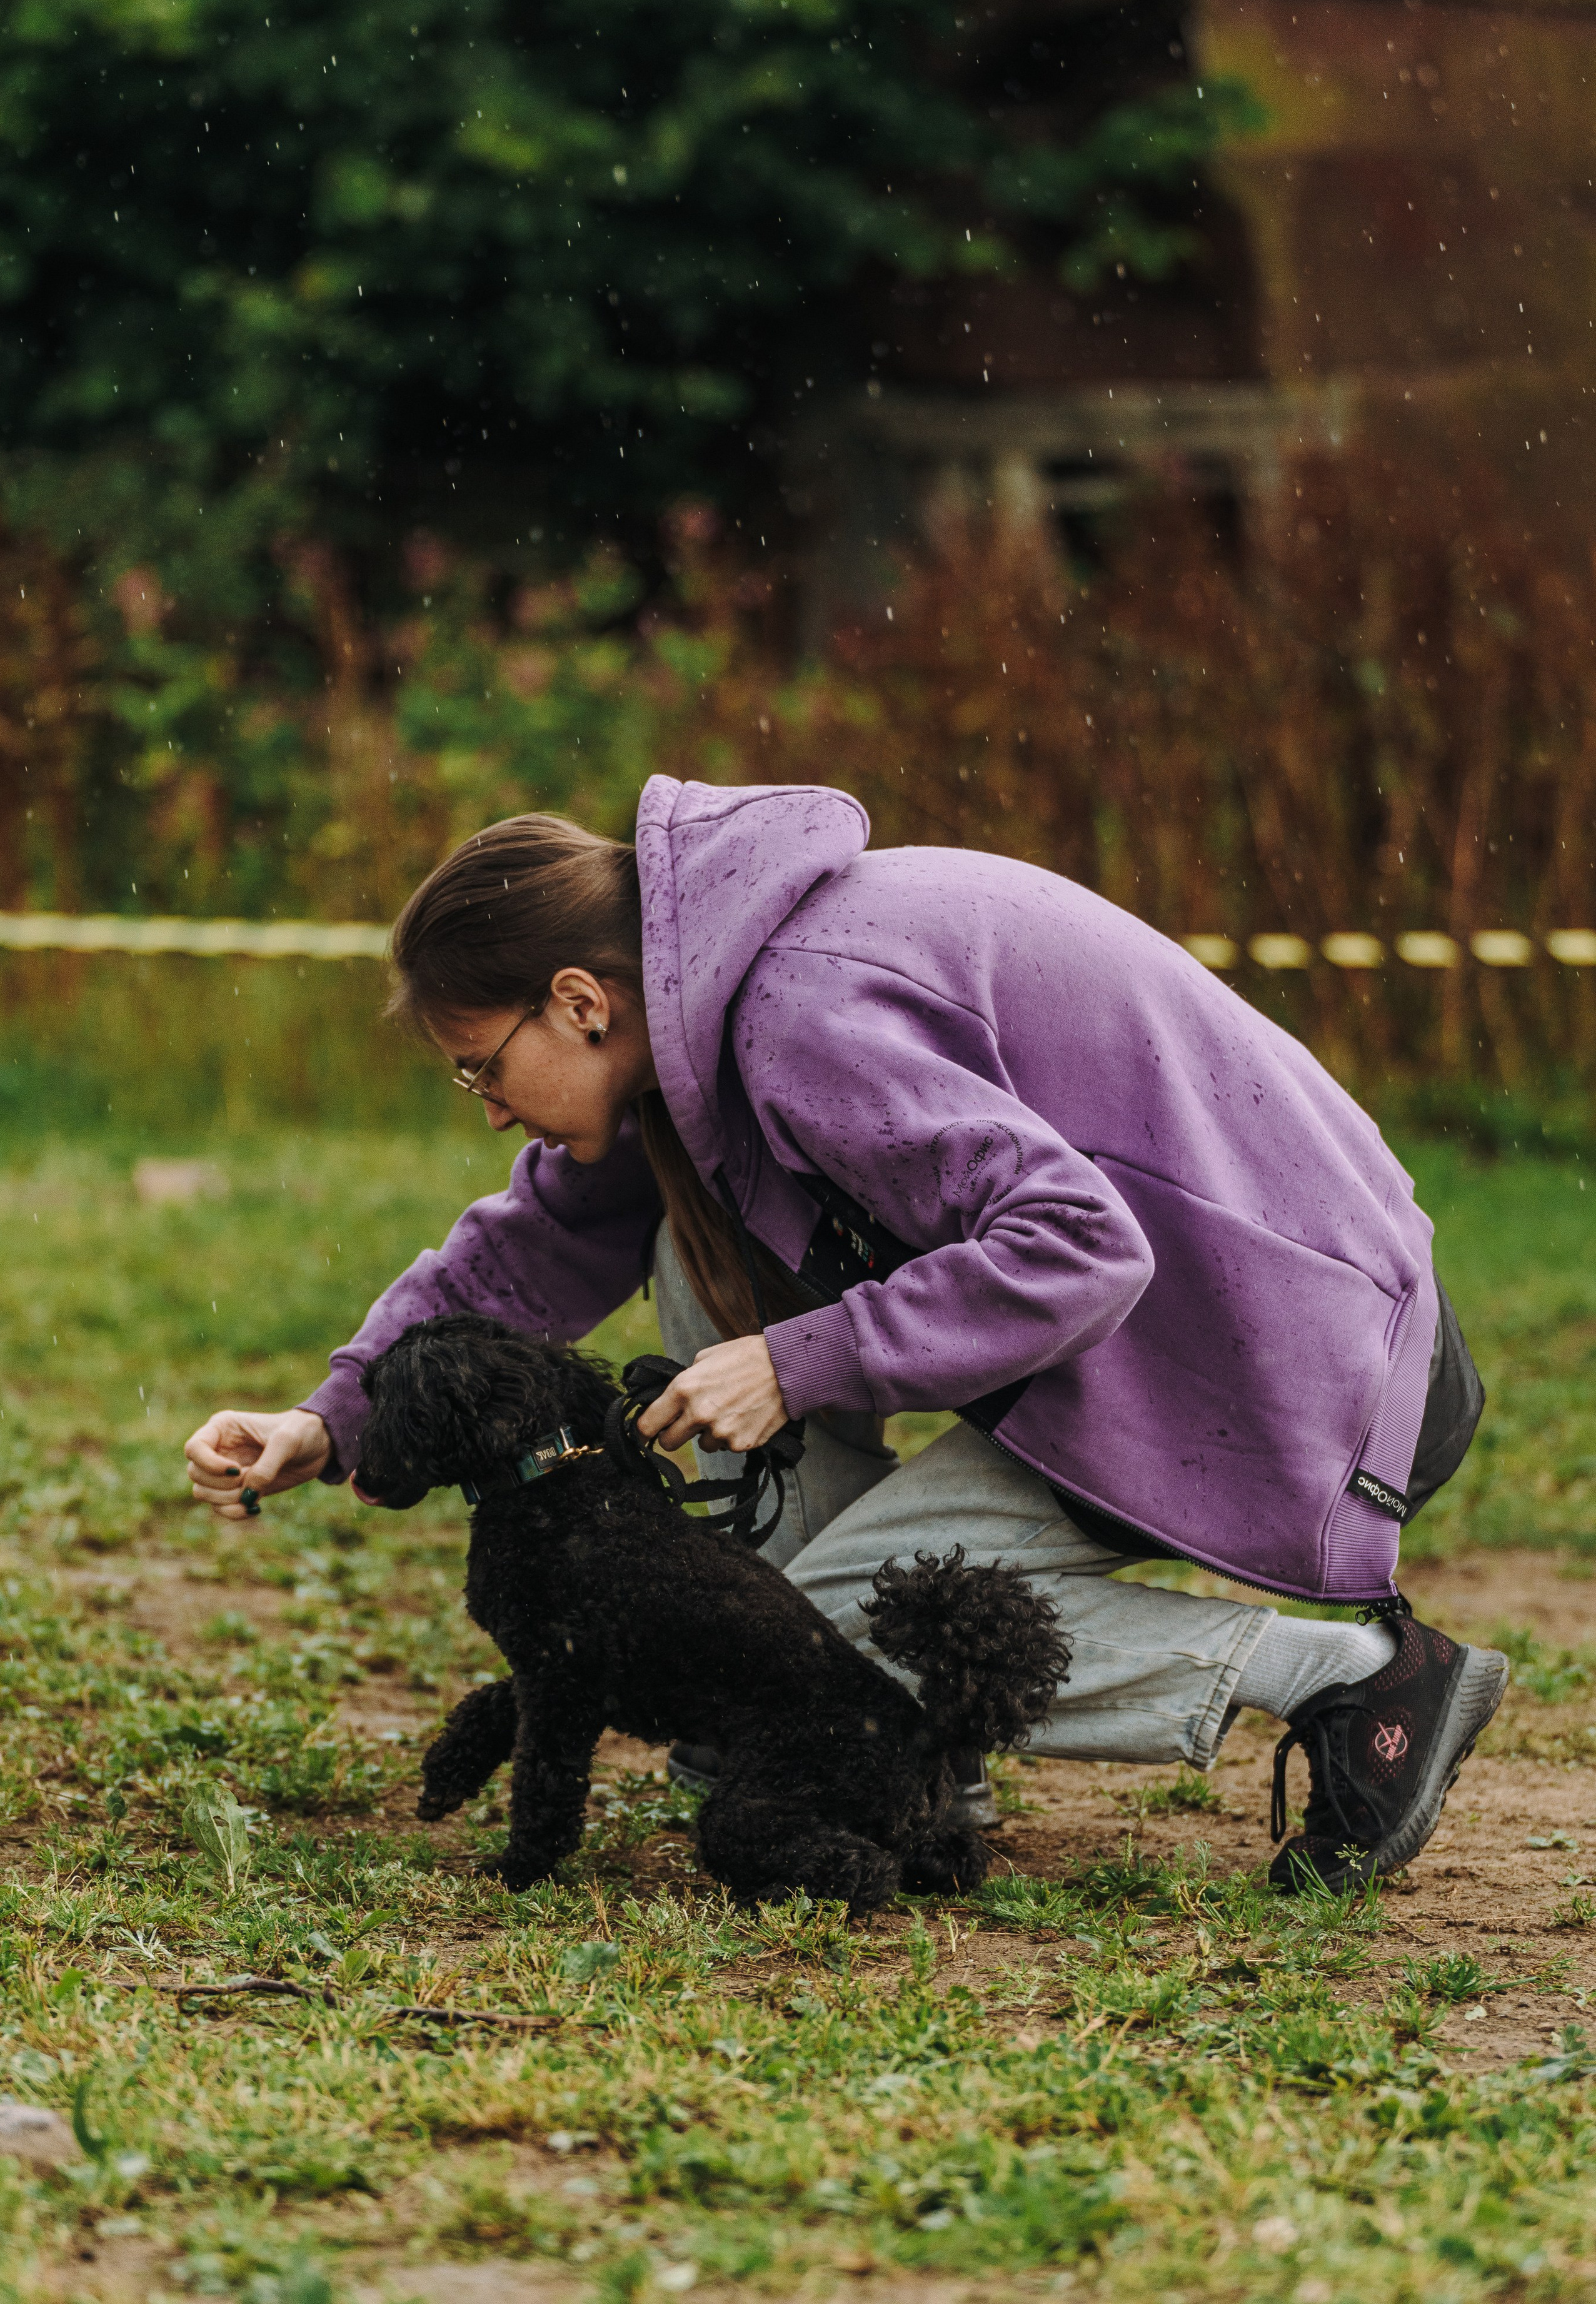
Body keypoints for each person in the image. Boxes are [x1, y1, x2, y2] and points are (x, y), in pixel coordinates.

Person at [185, 777, 1502, 1892]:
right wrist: (328, 1417)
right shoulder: (707, 1007)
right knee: (686, 1244)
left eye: (480, 1065)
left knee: (845, 1625)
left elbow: (1082, 1245)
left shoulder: (795, 1014)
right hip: (1204, 1328)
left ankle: (1350, 1674)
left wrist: (796, 1359)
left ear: (580, 1000)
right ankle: (875, 1744)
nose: (483, 1105)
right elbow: (536, 1239)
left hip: (1285, 1360)